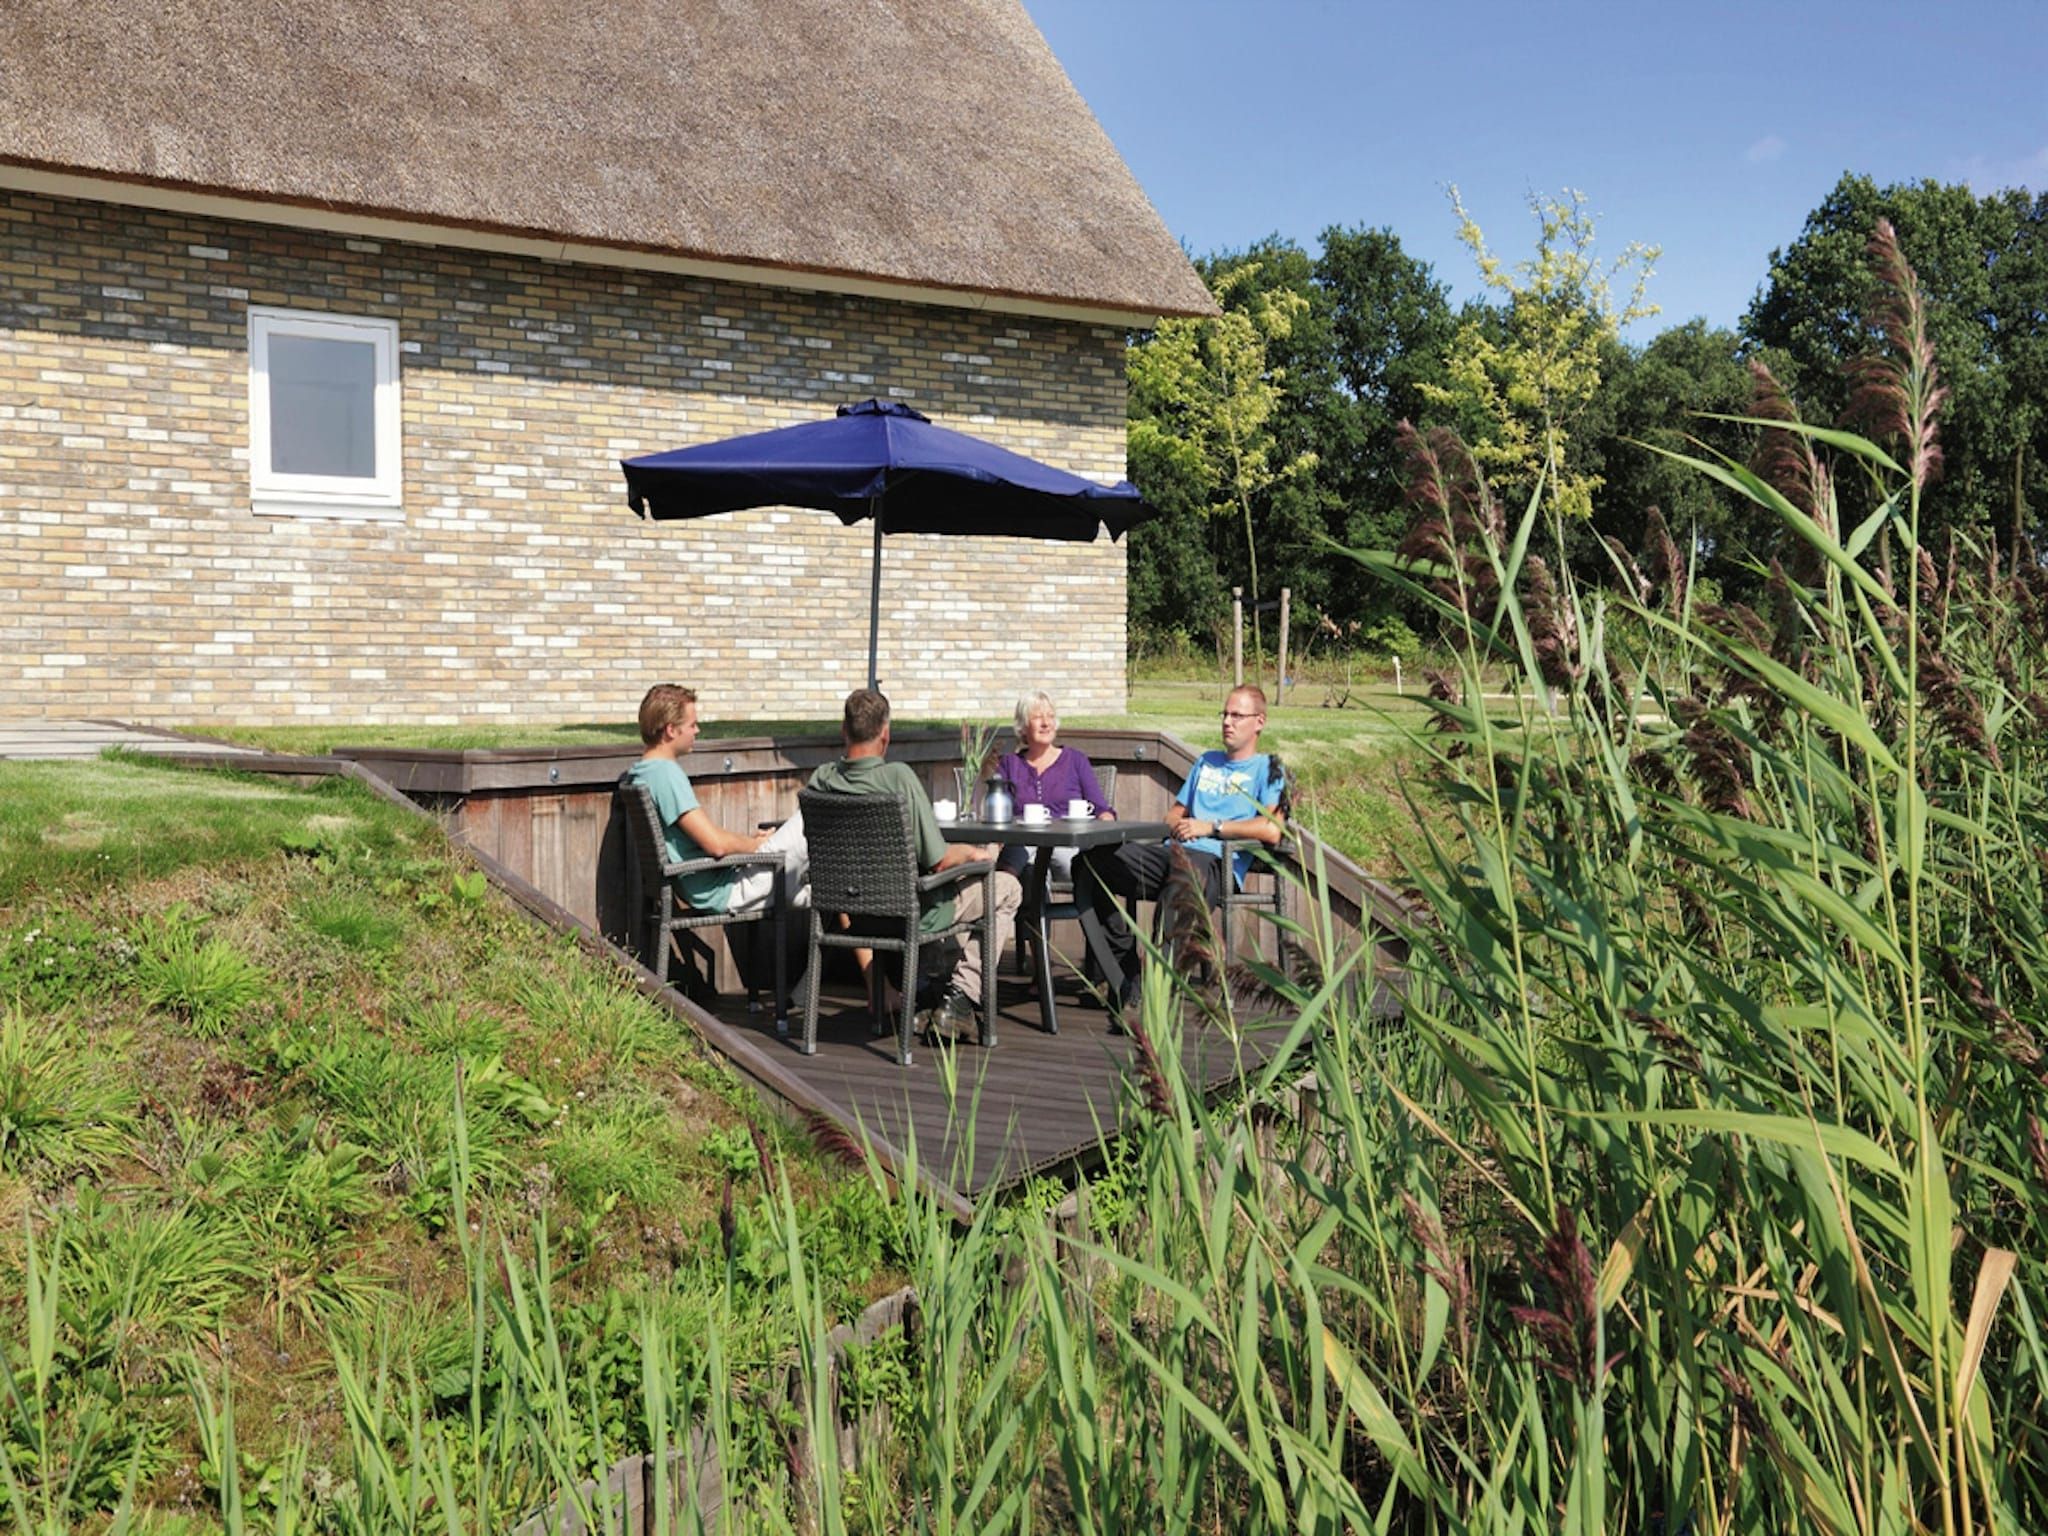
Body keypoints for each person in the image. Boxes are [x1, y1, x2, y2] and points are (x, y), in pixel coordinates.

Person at [808, 688, 1023, 1038]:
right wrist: (970, 852)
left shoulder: (821, 779)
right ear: (886, 734)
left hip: (856, 915)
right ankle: (961, 998)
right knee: (1008, 888)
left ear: (843, 730)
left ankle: (922, 995)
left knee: (930, 886)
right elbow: (938, 861)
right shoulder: (898, 778)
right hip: (911, 912)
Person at [1075, 684, 1286, 1023]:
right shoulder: (1207, 762)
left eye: (1237, 715)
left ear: (1259, 722)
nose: (1227, 722)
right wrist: (1181, 824)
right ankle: (1126, 968)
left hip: (1214, 863)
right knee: (1090, 863)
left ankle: (1152, 991)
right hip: (1173, 853)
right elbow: (1172, 815)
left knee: (1185, 880)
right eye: (1225, 714)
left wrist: (1211, 826)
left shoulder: (1268, 768)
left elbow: (1272, 829)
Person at [627, 683, 809, 913]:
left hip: (711, 883)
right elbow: (716, 845)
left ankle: (829, 905)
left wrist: (749, 842)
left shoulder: (642, 773)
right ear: (671, 730)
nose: (697, 730)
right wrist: (757, 845)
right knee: (816, 816)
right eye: (692, 725)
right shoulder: (665, 774)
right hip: (726, 887)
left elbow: (705, 840)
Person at [993, 689, 1113, 885]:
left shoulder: (1075, 760)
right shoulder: (1009, 764)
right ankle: (1005, 896)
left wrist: (1106, 827)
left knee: (1062, 864)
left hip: (1066, 846)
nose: (1046, 723)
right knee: (1020, 866)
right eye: (1037, 717)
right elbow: (997, 814)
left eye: (1050, 716)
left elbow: (1101, 810)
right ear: (1023, 727)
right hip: (1024, 843)